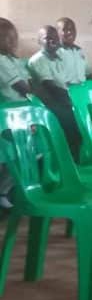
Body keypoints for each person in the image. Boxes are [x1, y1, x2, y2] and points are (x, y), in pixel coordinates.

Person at [27, 25, 81, 155]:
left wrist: (77, 96)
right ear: (39, 41)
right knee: (72, 121)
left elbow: (71, 80)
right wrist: (73, 99)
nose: (52, 41)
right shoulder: (37, 60)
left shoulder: (62, 57)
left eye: (55, 37)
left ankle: (79, 155)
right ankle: (70, 158)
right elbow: (50, 87)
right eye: (47, 38)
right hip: (49, 103)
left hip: (65, 98)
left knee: (85, 112)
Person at [0, 18, 31, 213]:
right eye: (7, 38)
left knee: (34, 150)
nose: (13, 41)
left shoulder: (14, 60)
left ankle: (6, 189)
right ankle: (3, 191)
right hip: (8, 114)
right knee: (15, 152)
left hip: (22, 112)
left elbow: (29, 83)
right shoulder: (1, 61)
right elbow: (23, 87)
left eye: (14, 37)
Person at [56, 17, 92, 84]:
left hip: (82, 88)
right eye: (65, 30)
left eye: (72, 29)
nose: (70, 32)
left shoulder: (79, 51)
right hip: (65, 89)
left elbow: (88, 74)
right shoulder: (55, 53)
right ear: (57, 32)